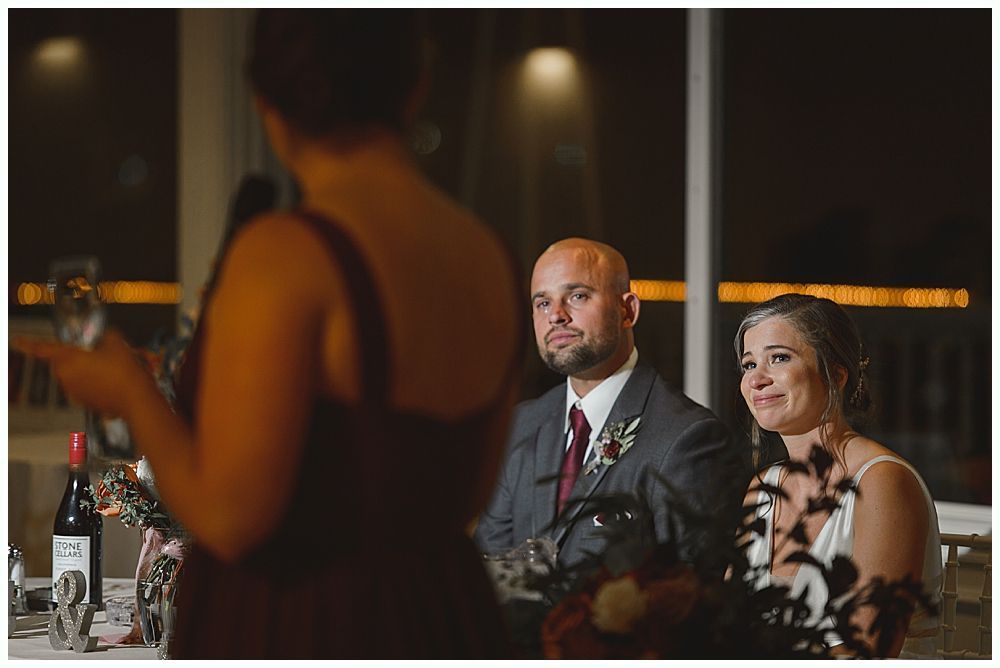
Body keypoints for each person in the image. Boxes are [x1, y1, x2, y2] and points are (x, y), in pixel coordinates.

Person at [18, 10, 522, 658]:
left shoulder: (286, 255)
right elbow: (468, 495)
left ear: (265, 102)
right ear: (417, 85)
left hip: (306, 624)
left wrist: (130, 390)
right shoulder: (490, 258)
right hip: (443, 616)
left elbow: (229, 521)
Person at [474, 237, 746, 568]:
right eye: (542, 302)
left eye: (577, 296)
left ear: (627, 310)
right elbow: (490, 566)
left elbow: (688, 591)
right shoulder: (522, 425)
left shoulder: (688, 438)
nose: (556, 315)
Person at [736, 293, 941, 658]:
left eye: (779, 358)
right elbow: (728, 620)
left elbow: (869, 650)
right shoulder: (763, 488)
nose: (757, 379)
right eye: (749, 364)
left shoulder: (882, 483)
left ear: (836, 374)